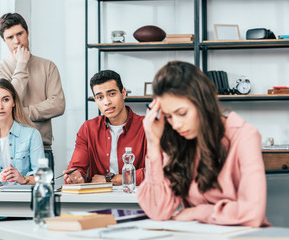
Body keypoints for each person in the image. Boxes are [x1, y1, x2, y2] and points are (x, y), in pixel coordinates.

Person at [138, 61, 270, 227]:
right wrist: (153, 144)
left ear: (203, 103)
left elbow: (252, 214)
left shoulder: (244, 136)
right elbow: (158, 211)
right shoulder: (179, 140)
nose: (176, 124)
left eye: (182, 113)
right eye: (169, 116)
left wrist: (196, 212)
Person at [0, 13, 65, 173]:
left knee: (43, 197)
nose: (16, 41)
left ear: (27, 32)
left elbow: (58, 105)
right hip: (8, 146)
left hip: (43, 147)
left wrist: (20, 113)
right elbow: (6, 101)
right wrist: (21, 65)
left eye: (20, 34)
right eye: (10, 37)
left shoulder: (48, 66)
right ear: (4, 40)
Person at [63, 70, 146, 186]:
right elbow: (76, 169)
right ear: (95, 100)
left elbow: (158, 174)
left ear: (123, 93)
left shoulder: (147, 126)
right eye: (100, 97)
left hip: (137, 197)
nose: (107, 102)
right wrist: (76, 177)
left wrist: (113, 179)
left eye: (112, 94)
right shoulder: (88, 129)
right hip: (100, 198)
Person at [0, 79, 44, 185]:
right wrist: (0, 177)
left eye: (5, 100)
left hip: (23, 197)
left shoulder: (32, 135)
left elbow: (42, 178)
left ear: (13, 102)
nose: (0, 106)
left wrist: (22, 179)